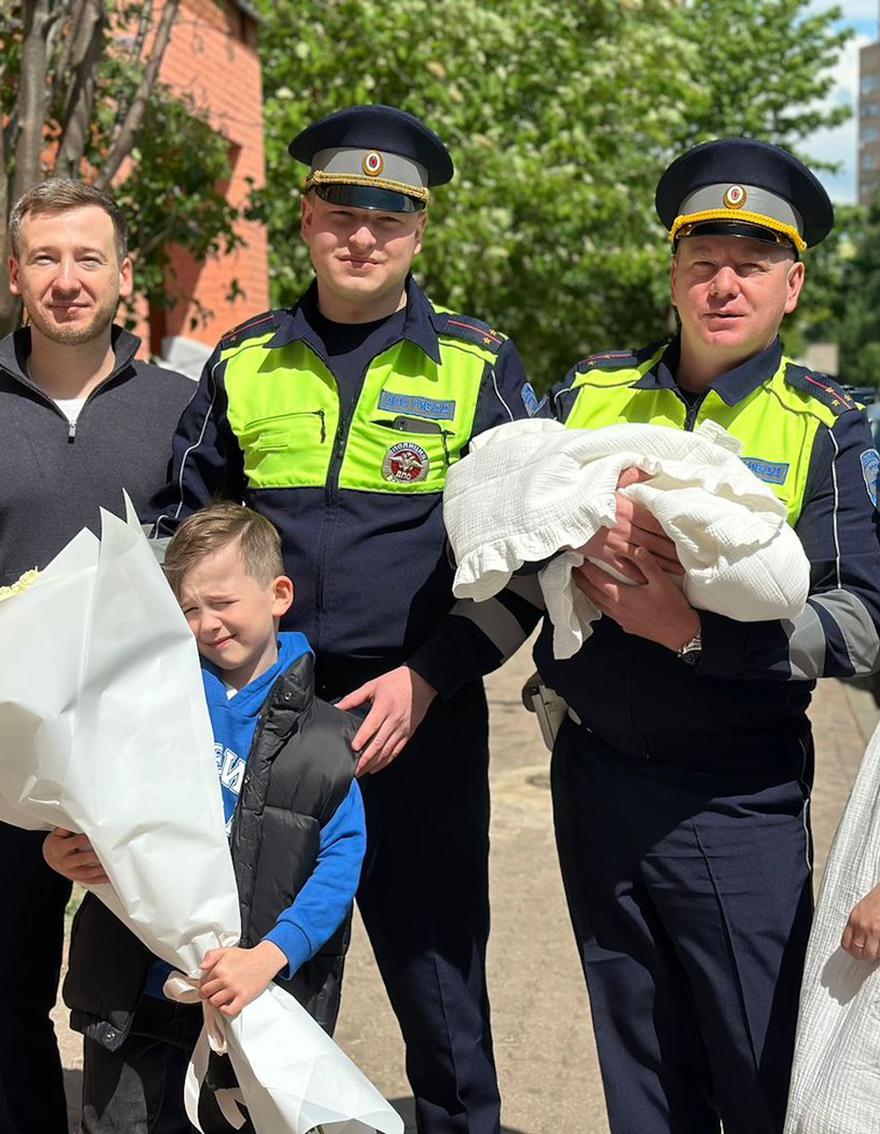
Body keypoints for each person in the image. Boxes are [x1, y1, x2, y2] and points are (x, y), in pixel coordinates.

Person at [148, 104, 538, 1133]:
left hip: (417, 716)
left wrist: (430, 676)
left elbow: (532, 561)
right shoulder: (241, 362)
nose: (363, 235)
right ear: (307, 214)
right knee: (255, 973)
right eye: (340, 209)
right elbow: (179, 537)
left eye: (391, 216)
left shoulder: (478, 366)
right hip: (264, 728)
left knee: (439, 976)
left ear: (418, 231)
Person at [533, 139, 880, 1134]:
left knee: (756, 1060)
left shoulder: (822, 426)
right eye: (703, 262)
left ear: (792, 285)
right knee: (636, 1060)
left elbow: (858, 624)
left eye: (749, 265)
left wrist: (696, 633)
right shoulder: (588, 398)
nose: (722, 284)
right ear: (673, 275)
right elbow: (505, 539)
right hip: (597, 778)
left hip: (733, 796)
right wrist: (561, 560)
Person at [44, 501, 366, 1133]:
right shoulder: (145, 701)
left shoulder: (328, 740)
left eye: (222, 602)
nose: (206, 623)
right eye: (189, 609)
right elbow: (87, 804)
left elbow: (341, 863)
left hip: (245, 1000)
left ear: (278, 594)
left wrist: (271, 956)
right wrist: (60, 852)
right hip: (130, 993)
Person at [0, 179, 194, 1134]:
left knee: (145, 1004)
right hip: (4, 764)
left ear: (124, 276)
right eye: (45, 257)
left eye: (88, 259)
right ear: (15, 273)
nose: (67, 280)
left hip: (144, 755)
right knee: (4, 998)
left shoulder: (183, 410)